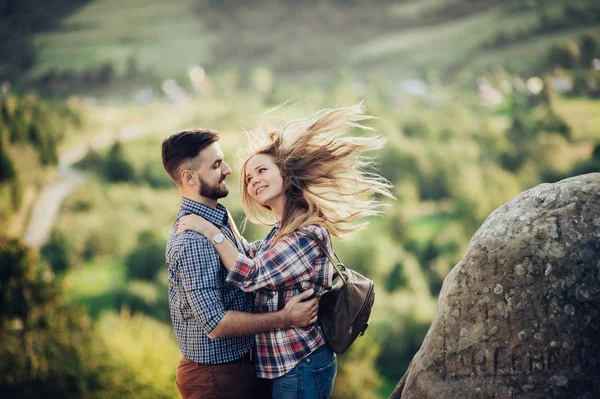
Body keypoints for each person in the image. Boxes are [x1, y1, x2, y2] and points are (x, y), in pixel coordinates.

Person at [178, 103, 393, 399]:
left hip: (301, 364)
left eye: (261, 171)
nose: (253, 182)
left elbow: (251, 274)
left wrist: (211, 231)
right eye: (249, 179)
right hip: (285, 365)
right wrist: (228, 225)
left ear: (285, 173)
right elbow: (252, 255)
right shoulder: (280, 232)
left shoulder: (307, 234)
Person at [161, 129, 320, 399]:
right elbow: (216, 324)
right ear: (189, 177)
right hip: (216, 377)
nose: (227, 170)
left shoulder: (215, 220)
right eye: (215, 165)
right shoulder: (193, 241)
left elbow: (253, 259)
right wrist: (286, 318)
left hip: (239, 369)